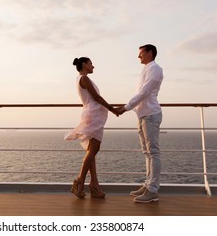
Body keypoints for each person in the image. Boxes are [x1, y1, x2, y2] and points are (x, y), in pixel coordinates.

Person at [65, 57, 119, 199]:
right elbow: (96, 97)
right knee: (94, 150)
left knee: (92, 151)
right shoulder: (84, 79)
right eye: (90, 63)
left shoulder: (82, 79)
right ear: (84, 64)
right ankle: (79, 181)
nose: (93, 66)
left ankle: (94, 185)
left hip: (93, 114)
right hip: (93, 115)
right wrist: (113, 109)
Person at [116, 44, 163, 203]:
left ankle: (153, 191)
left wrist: (126, 107)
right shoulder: (146, 69)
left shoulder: (155, 69)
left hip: (151, 115)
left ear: (150, 53)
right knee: (147, 152)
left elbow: (144, 92)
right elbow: (141, 93)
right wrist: (130, 108)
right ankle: (148, 184)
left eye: (141, 53)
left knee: (153, 152)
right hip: (143, 115)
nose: (138, 56)